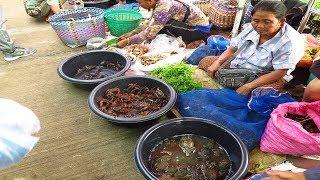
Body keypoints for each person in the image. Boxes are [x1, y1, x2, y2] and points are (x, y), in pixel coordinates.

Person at [199, 0, 304, 96]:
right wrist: (218, 62)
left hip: (266, 76)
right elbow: (233, 48)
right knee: (206, 62)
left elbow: (280, 72)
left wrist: (249, 86)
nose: (260, 26)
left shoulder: (289, 41)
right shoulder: (251, 28)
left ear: (281, 22)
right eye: (256, 20)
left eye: (267, 22)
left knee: (260, 93)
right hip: (238, 66)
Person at [116, 0, 212, 48]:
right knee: (159, 25)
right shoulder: (159, 3)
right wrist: (131, 33)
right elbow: (150, 23)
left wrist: (127, 41)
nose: (139, 5)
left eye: (140, 2)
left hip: (200, 30)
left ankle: (196, 40)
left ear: (150, 1)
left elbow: (149, 32)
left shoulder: (163, 7)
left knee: (163, 26)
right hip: (192, 26)